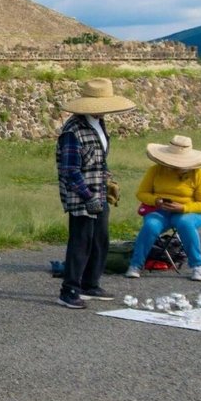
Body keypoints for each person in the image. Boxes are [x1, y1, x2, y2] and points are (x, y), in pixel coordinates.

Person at [55, 77, 136, 309]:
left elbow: (100, 161)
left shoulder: (99, 124)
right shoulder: (73, 131)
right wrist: (88, 196)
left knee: (100, 239)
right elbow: (70, 170)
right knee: (81, 241)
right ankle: (69, 289)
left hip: (98, 191)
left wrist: (108, 180)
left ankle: (91, 283)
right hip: (81, 195)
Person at [127, 135, 201, 281]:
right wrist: (156, 201)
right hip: (160, 210)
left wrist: (184, 208)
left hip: (190, 212)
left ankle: (197, 266)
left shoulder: (200, 175)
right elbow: (141, 193)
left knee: (185, 223)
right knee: (151, 225)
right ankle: (136, 265)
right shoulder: (155, 170)